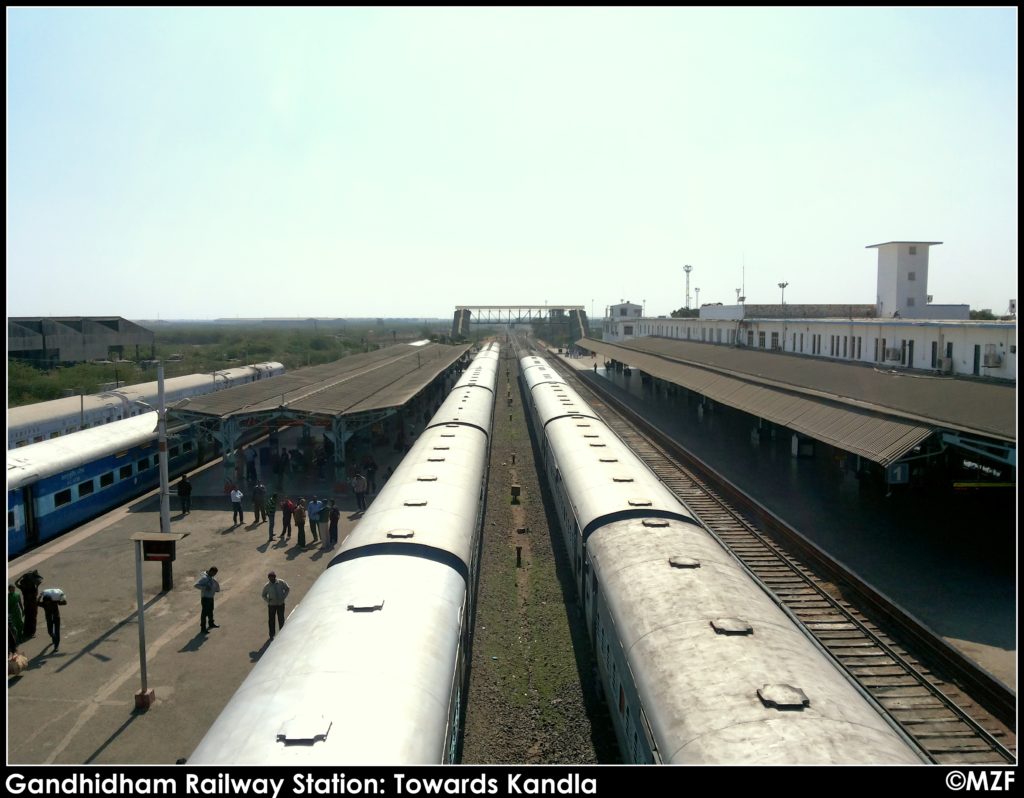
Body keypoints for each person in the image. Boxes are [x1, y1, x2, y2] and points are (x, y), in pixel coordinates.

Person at [261, 571, 290, 640]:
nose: (271, 579)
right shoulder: (267, 586)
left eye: (272, 578)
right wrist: (268, 600)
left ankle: (282, 633)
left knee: (281, 618)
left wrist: (284, 596)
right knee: (271, 620)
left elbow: (287, 588)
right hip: (272, 605)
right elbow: (263, 595)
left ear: (275, 577)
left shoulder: (281, 582)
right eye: (270, 578)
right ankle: (272, 634)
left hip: (280, 604)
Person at [14, 570, 43, 640]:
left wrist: (22, 576)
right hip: (31, 605)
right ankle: (30, 632)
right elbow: (39, 581)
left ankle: (28, 632)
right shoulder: (33, 587)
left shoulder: (25, 588)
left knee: (29, 618)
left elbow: (16, 583)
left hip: (29, 605)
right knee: (31, 619)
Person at [195, 567, 221, 633]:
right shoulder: (204, 578)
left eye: (215, 573)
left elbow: (214, 584)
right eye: (214, 573)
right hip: (205, 598)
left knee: (210, 611)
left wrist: (216, 589)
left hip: (210, 597)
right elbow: (196, 585)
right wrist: (205, 587)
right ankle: (203, 628)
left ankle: (211, 623)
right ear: (211, 571)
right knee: (204, 613)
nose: (214, 574)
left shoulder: (211, 577)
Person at [40, 588, 66, 652]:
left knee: (57, 632)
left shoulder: (54, 602)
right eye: (46, 602)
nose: (47, 603)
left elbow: (64, 603)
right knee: (50, 632)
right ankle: (54, 639)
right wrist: (40, 596)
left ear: (50, 600)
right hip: (49, 619)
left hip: (56, 618)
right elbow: (36, 602)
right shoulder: (44, 604)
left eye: (48, 601)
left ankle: (56, 646)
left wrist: (63, 597)